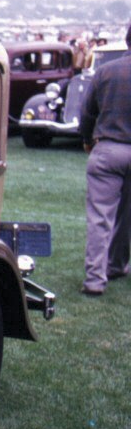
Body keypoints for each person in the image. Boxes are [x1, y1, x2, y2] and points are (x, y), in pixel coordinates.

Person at [79, 21, 131, 296]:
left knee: (101, 218)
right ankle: (118, 264)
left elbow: (87, 112)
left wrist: (87, 140)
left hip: (108, 150)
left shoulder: (106, 71)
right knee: (126, 216)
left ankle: (95, 280)